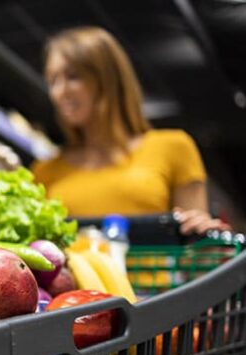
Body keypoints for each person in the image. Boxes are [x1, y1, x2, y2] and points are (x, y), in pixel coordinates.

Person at [32, 26, 229, 235]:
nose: (59, 92)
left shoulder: (173, 147)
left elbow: (196, 251)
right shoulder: (44, 172)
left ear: (107, 78)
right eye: (53, 81)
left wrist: (202, 230)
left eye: (72, 77)